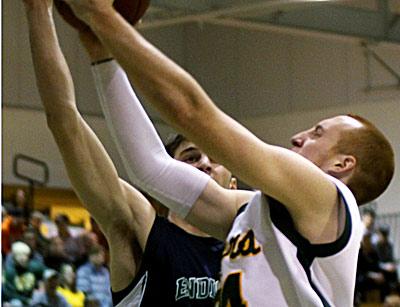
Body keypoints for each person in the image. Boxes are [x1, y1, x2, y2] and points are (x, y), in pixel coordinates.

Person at [64, 1, 395, 306]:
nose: (298, 137)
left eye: (317, 133)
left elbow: (191, 112)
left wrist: (104, 18)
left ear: (342, 164)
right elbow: (152, 168)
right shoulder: (254, 210)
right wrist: (103, 57)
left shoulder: (326, 196)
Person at [23, 1, 250, 306]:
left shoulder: (257, 247)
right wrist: (38, 10)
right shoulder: (138, 229)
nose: (205, 164)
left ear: (234, 186)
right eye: (191, 157)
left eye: (214, 158)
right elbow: (64, 122)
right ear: (169, 182)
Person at [2, 241, 47, 306]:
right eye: (19, 255)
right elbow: (10, 294)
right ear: (14, 257)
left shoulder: (34, 266)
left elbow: (48, 273)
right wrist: (26, 300)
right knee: (16, 304)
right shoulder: (10, 271)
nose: (22, 258)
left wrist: (43, 285)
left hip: (32, 299)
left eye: (25, 255)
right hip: (16, 300)